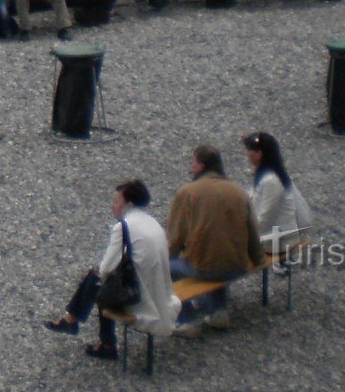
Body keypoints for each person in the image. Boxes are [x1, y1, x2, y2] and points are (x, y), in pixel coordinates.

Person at [44, 178, 176, 362]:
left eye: (116, 201)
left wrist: (99, 271)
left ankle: (98, 339)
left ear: (128, 205)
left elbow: (106, 268)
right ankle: (72, 321)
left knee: (99, 281)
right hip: (159, 290)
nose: (112, 205)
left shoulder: (123, 227)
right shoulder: (151, 222)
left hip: (140, 297)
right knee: (99, 279)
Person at [165, 145, 264, 324]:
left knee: (170, 268)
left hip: (204, 268)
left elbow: (175, 238)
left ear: (202, 166)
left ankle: (186, 320)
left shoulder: (187, 192)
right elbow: (252, 230)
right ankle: (218, 311)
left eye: (193, 162)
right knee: (218, 249)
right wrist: (258, 259)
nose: (190, 167)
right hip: (237, 266)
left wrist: (165, 262)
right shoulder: (238, 190)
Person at [242, 132, 313, 246]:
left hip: (278, 240)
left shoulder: (271, 181)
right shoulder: (274, 173)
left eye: (249, 150)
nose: (247, 154)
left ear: (259, 154)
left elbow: (265, 218)